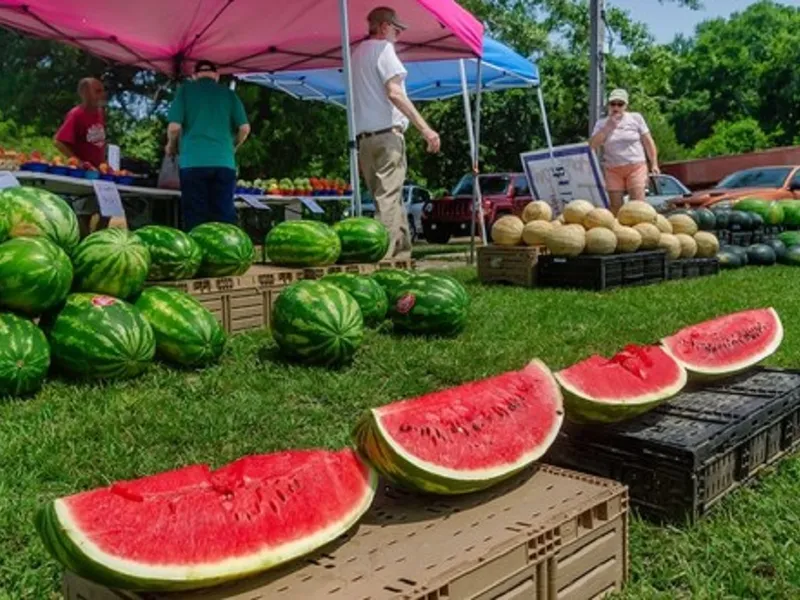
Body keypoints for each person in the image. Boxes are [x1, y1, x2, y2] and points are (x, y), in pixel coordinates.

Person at [352, 6, 441, 259]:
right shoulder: (384, 50)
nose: (399, 35)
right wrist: (426, 129)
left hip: (365, 139)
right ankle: (383, 259)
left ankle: (402, 257)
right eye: (396, 29)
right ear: (383, 27)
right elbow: (394, 92)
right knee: (388, 201)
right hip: (387, 136)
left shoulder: (356, 55)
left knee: (390, 198)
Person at [165, 60, 250, 231]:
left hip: (193, 163)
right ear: (217, 76)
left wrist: (171, 146)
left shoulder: (185, 91)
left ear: (194, 76)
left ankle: (198, 253)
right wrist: (233, 146)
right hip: (224, 162)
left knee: (196, 215)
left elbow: (174, 127)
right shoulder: (228, 94)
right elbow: (244, 128)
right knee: (224, 213)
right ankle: (228, 252)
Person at [589, 88, 659, 215]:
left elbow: (648, 142)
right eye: (613, 104)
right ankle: (620, 232)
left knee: (637, 205)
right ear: (608, 105)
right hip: (613, 169)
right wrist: (607, 128)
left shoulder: (635, 118)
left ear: (626, 106)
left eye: (620, 104)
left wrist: (654, 163)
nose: (616, 107)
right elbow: (592, 145)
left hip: (636, 166)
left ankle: (640, 231)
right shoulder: (601, 123)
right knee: (616, 207)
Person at [54, 77, 109, 237]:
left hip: (99, 173)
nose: (102, 94)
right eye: (97, 91)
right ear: (84, 93)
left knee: (107, 210)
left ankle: (95, 242)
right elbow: (58, 141)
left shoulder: (99, 113)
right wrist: (78, 161)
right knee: (83, 214)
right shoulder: (76, 114)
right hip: (84, 175)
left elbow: (99, 141)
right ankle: (84, 244)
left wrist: (104, 162)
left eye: (102, 90)